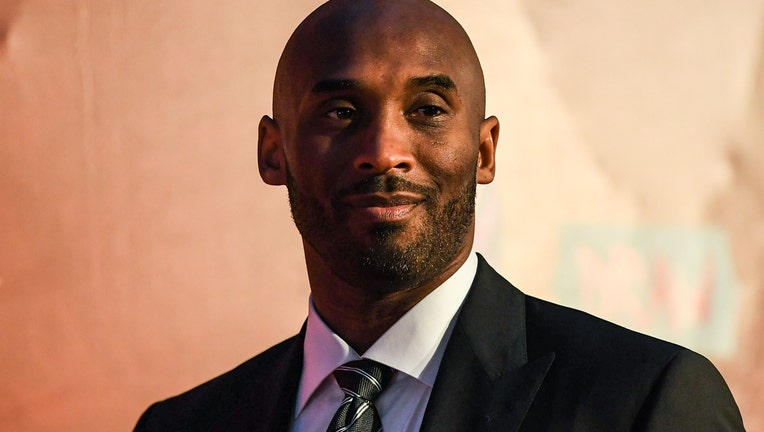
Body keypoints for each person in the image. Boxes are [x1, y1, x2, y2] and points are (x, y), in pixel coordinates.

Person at [135, 0, 745, 430]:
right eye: (342, 113)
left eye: (427, 109)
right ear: (275, 153)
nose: (384, 152)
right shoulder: (185, 424)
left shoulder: (641, 402)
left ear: (484, 151)